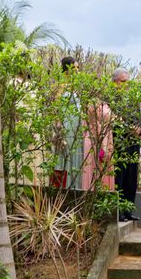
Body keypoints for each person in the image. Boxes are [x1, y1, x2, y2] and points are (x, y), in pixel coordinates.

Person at [111, 67, 141, 222]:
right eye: (123, 82)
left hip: (134, 144)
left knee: (132, 178)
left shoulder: (132, 99)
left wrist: (140, 129)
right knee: (120, 177)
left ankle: (128, 210)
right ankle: (119, 213)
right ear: (115, 82)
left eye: (127, 82)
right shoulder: (111, 100)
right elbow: (110, 122)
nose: (125, 85)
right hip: (120, 144)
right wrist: (127, 129)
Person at [51, 56, 83, 189]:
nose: (77, 71)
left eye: (78, 68)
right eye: (73, 68)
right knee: (62, 159)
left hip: (76, 128)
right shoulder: (59, 87)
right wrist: (59, 130)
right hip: (65, 127)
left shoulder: (77, 87)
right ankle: (61, 193)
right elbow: (55, 109)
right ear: (66, 69)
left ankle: (75, 189)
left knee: (76, 159)